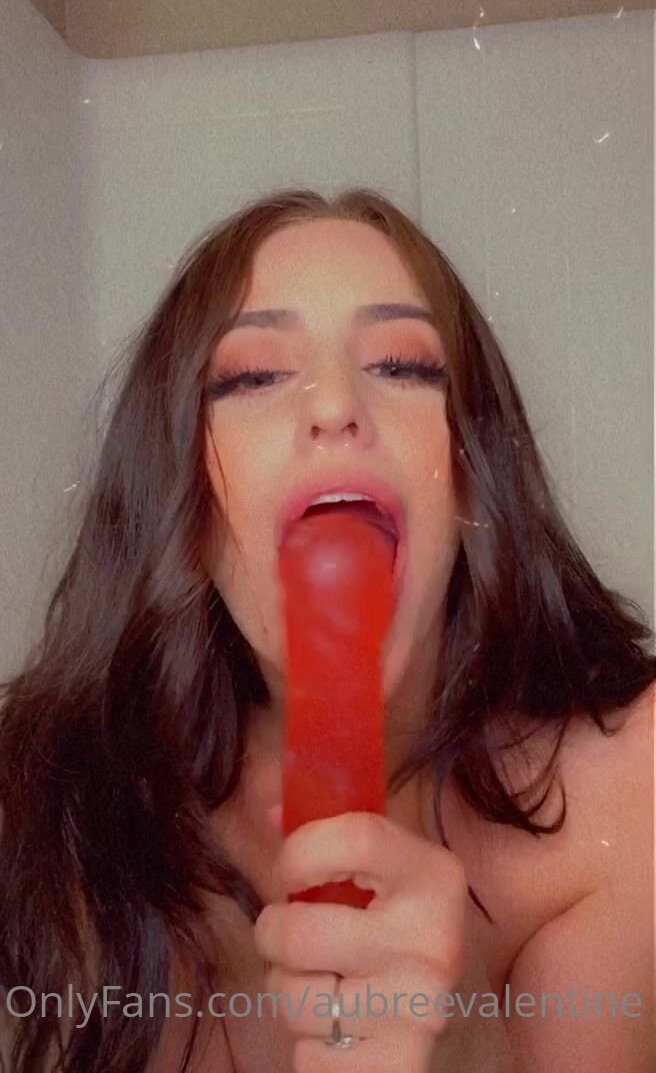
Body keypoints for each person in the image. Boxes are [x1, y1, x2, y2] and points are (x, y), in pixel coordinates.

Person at [0, 187, 653, 1073]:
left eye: (404, 365)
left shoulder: (632, 787)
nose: (336, 403)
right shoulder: (53, 814)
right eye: (252, 377)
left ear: (471, 476)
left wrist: (468, 1053)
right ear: (188, 506)